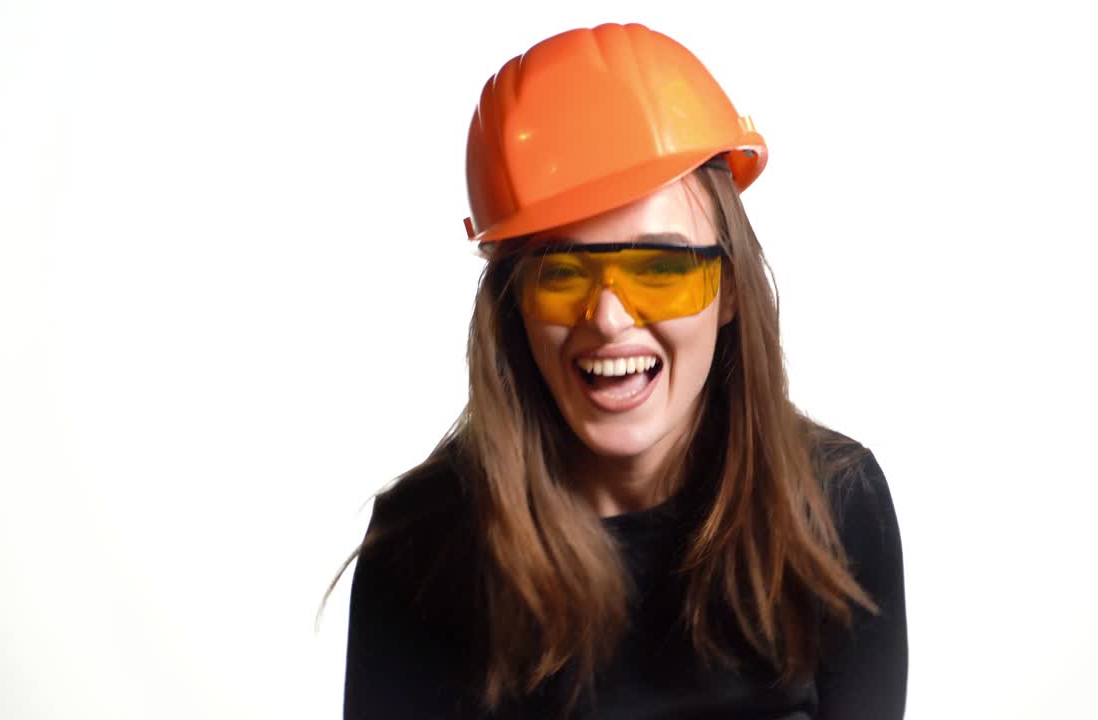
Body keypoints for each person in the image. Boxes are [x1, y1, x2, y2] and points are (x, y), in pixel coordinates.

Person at [337, 22, 907, 719]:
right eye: (562, 271)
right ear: (513, 306)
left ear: (730, 290)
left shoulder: (836, 506)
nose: (607, 318)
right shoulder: (418, 549)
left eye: (662, 268)